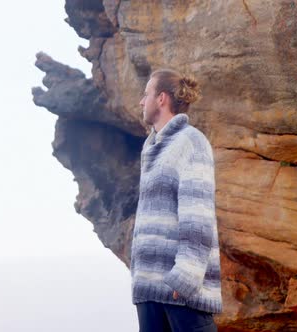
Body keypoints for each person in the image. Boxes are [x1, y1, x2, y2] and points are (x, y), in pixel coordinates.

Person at [130, 68, 222, 332]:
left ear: (161, 99)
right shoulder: (151, 146)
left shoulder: (190, 142)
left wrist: (185, 279)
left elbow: (199, 216)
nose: (141, 101)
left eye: (146, 94)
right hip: (148, 289)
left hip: (178, 291)